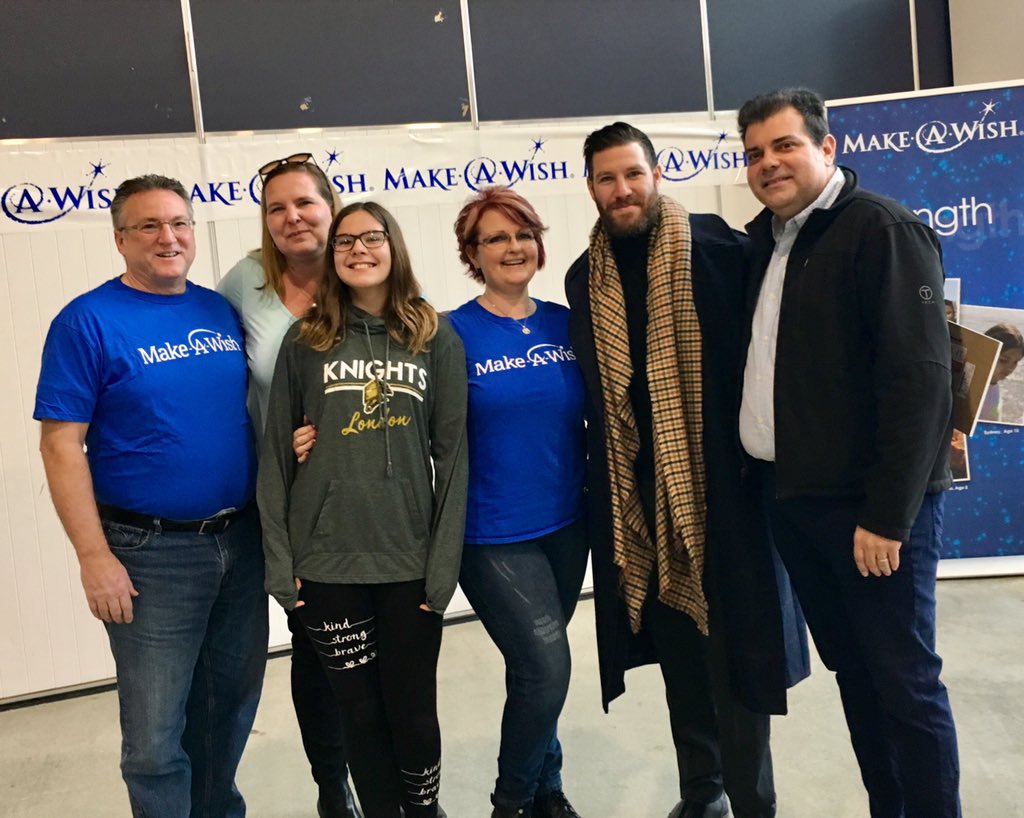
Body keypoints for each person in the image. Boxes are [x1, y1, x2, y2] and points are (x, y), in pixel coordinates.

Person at [565, 122, 809, 818]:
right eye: (606, 179)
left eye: (632, 174)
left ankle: (751, 801)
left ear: (658, 172)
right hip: (639, 502)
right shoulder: (585, 277)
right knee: (679, 659)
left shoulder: (720, 249)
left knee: (735, 665)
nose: (621, 190)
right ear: (590, 188)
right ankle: (701, 795)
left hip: (723, 499)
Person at [737, 87, 959, 817]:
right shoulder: (766, 241)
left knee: (904, 682)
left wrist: (888, 517)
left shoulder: (881, 231)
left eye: (784, 146)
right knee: (858, 678)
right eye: (754, 153)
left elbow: (920, 381)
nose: (768, 163)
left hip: (867, 516)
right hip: (797, 506)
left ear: (827, 148)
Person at [34, 175, 268, 817]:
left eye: (180, 224)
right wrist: (93, 556)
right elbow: (60, 445)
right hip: (149, 553)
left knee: (229, 708)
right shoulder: (87, 321)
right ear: (119, 239)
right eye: (149, 226)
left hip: (241, 542)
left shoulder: (216, 309)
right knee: (155, 736)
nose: (169, 237)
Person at [258, 201, 468, 818]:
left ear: (393, 247)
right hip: (325, 563)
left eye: (371, 237)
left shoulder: (432, 333)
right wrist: (279, 564)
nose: (358, 249)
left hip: (409, 558)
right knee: (359, 713)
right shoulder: (306, 341)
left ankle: (424, 810)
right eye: (344, 241)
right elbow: (275, 454)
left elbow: (453, 457)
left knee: (410, 706)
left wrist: (444, 563)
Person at [217, 152, 361, 818]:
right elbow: (220, 387)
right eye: (277, 207)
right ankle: (334, 786)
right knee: (318, 645)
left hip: (374, 495)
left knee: (384, 644)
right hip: (295, 503)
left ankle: (387, 773)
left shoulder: (364, 267)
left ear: (330, 206)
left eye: (304, 202)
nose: (292, 217)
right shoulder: (243, 284)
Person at [448, 187, 588, 818]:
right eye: (495, 238)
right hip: (492, 533)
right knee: (546, 665)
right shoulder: (449, 334)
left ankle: (547, 790)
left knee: (536, 672)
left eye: (522, 234)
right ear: (472, 254)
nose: (512, 247)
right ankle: (512, 803)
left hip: (567, 522)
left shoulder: (566, 322)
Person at [979, 322, 1024, 423]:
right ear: (986, 352)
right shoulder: (971, 384)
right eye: (1003, 360)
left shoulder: (993, 385)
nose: (1010, 367)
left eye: (1015, 362)